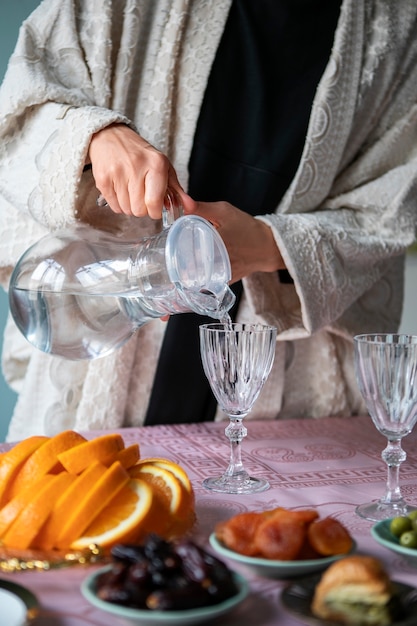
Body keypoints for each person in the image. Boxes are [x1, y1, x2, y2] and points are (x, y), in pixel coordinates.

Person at [0, 0, 416, 441]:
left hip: (286, 362)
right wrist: (95, 136)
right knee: (97, 498)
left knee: (258, 506)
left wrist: (269, 244)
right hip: (106, 318)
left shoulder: (396, 26)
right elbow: (20, 104)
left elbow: (395, 203)